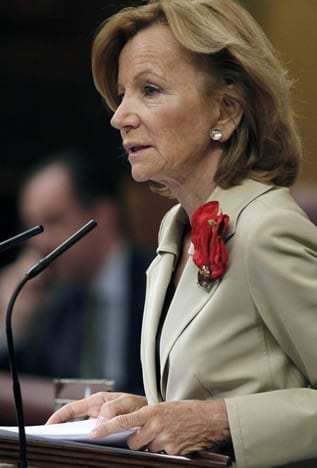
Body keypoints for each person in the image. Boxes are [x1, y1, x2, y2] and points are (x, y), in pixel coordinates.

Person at [47, 1, 317, 467]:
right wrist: (142, 414)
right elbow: (209, 393)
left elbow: (222, 414)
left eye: (149, 90)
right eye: (121, 94)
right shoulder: (176, 232)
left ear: (226, 111)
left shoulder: (266, 228)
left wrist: (220, 421)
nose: (120, 117)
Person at [0, 149, 154, 423]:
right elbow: (20, 389)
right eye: (31, 226)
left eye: (52, 221)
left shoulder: (158, 279)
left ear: (102, 215)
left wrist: (70, 396)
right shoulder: (52, 296)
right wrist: (13, 325)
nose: (37, 242)